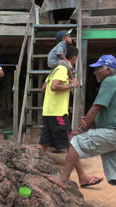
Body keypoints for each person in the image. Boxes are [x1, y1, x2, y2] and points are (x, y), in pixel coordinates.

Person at [46, 55, 116, 207]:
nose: (95, 72)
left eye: (98, 68)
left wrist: (79, 130)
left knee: (75, 141)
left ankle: (63, 178)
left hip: (114, 133)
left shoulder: (110, 81)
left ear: (108, 70)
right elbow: (104, 113)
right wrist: (88, 124)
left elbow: (96, 108)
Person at [40, 46, 104, 188]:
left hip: (48, 112)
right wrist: (71, 84)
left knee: (44, 144)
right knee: (71, 145)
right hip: (58, 113)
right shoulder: (62, 69)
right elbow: (54, 87)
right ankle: (83, 177)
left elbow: (44, 87)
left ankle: (30, 167)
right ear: (74, 58)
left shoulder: (55, 69)